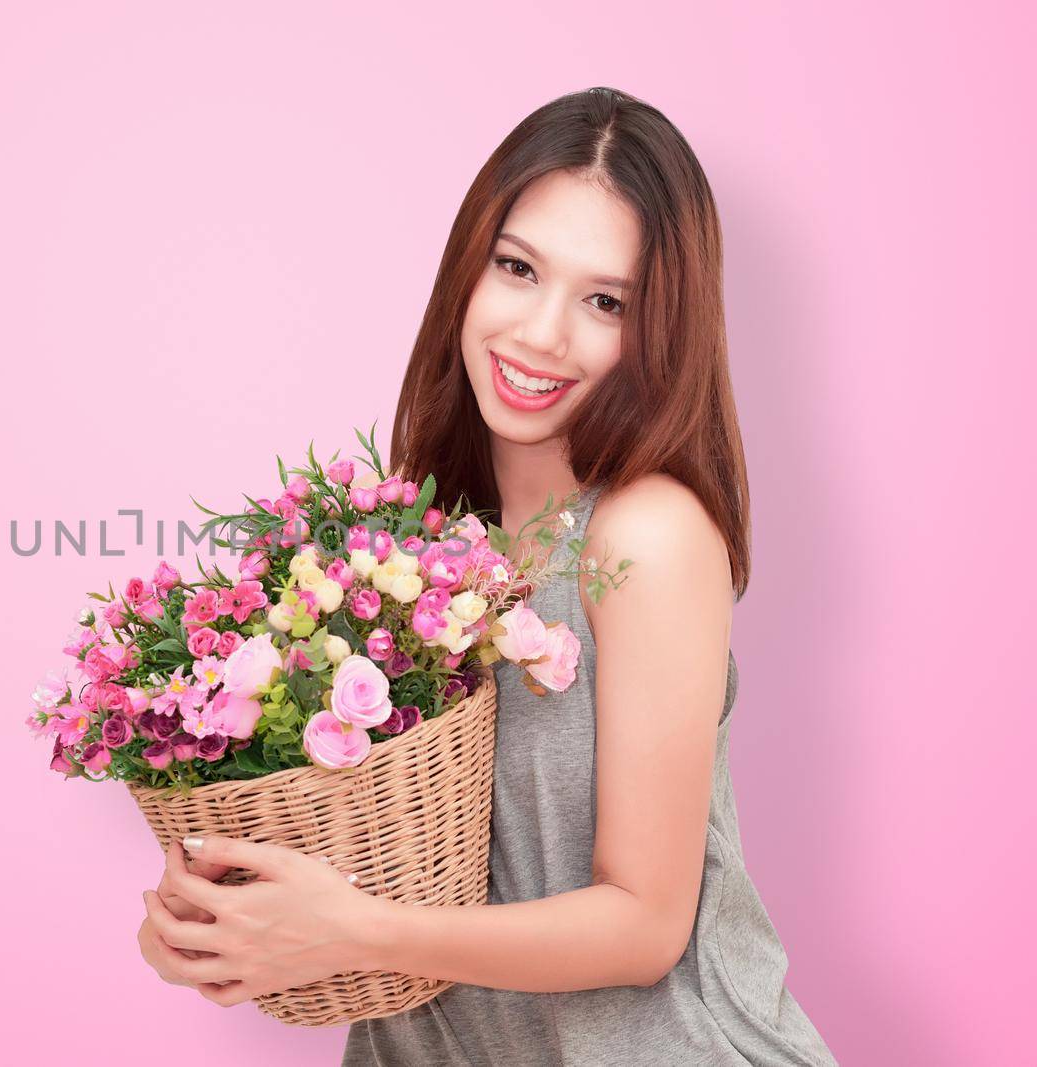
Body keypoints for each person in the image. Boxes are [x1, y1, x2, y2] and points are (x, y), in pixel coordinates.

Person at [136, 86, 838, 1065]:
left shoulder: (647, 531)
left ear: (657, 333)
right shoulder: (409, 550)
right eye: (517, 268)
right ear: (469, 270)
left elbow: (644, 925)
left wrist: (359, 928)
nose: (543, 332)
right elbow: (369, 848)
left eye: (605, 301)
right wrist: (213, 923)